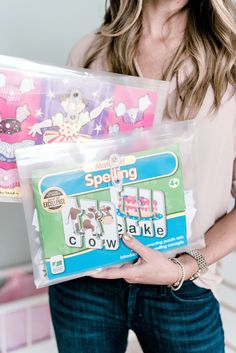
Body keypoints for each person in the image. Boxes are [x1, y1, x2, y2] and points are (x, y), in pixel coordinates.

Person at [49, 1, 236, 352]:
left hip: (183, 287)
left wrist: (183, 267)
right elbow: (66, 173)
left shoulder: (230, 61)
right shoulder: (90, 52)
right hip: (85, 282)